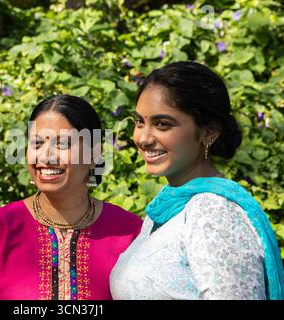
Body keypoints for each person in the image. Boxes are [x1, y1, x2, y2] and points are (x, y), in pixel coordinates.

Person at [110, 61, 284, 300]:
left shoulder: (214, 211)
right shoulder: (165, 210)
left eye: (162, 124)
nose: (143, 138)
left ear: (208, 131)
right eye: (140, 121)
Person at [0, 94, 143, 300]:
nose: (45, 156)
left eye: (62, 144)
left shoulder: (130, 233)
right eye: (36, 144)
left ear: (94, 155)